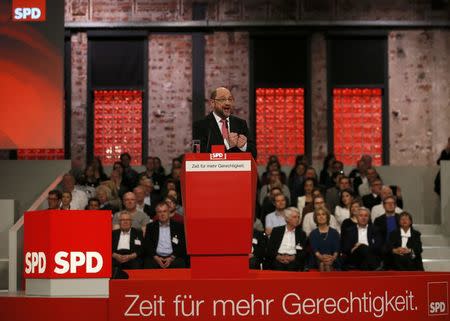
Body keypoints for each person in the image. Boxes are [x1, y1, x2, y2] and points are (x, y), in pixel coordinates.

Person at [192, 86, 256, 158]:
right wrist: (227, 145)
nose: (227, 103)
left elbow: (254, 154)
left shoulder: (240, 124)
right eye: (223, 99)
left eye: (230, 99)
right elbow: (197, 155)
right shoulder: (200, 125)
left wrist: (243, 146)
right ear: (212, 103)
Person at [143, 202, 187, 269]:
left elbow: (182, 244)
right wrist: (156, 257)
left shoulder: (179, 226)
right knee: (148, 263)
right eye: (159, 212)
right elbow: (148, 244)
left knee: (180, 263)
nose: (162, 214)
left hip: (173, 257)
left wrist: (171, 258)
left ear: (169, 212)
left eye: (164, 211)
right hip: (155, 257)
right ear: (157, 214)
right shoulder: (150, 227)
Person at [112, 211, 144, 278]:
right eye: (123, 220)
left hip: (131, 257)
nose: (125, 222)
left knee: (137, 264)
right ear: (119, 222)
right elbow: (106, 247)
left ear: (131, 222)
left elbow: (142, 248)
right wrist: (114, 255)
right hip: (116, 256)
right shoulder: (113, 233)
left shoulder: (138, 233)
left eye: (127, 220)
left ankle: (134, 286)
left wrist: (132, 256)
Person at [309, 207, 341, 271]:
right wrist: (323, 259)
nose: (321, 216)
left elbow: (336, 251)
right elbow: (315, 251)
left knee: (326, 265)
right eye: (318, 215)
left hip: (333, 260)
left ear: (327, 217)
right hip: (317, 259)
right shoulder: (313, 233)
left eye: (323, 214)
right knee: (322, 264)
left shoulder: (334, 232)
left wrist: (331, 259)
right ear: (315, 218)